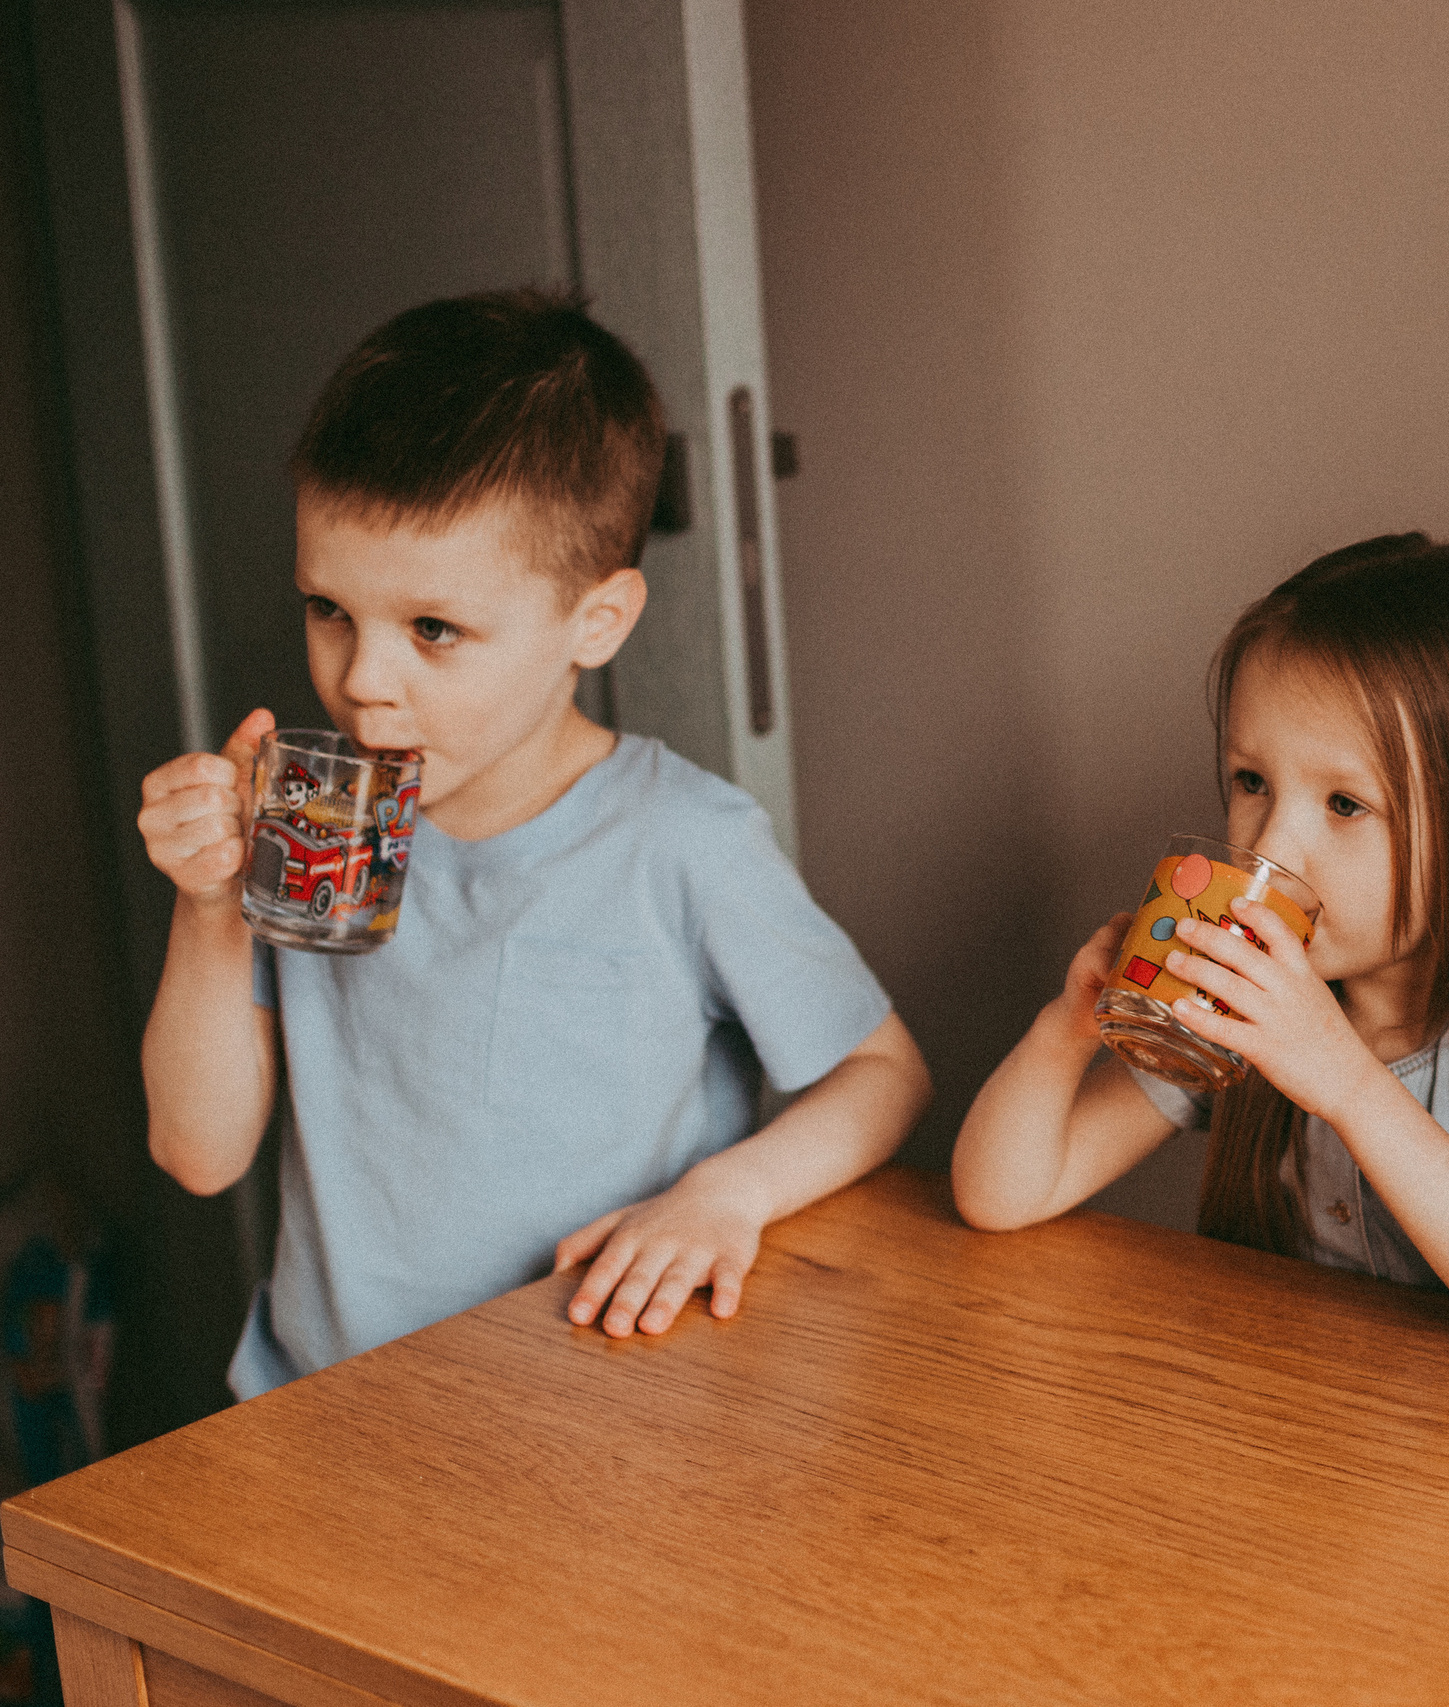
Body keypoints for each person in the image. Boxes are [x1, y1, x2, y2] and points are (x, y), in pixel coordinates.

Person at [135, 289, 930, 1397]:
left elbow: (882, 1074)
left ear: (596, 622)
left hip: (596, 1418)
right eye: (329, 609)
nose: (362, 681)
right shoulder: (312, 829)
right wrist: (209, 902)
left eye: (433, 629)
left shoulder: (680, 842)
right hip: (323, 1412)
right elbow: (199, 1151)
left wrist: (725, 1196)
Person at [952, 535, 1449, 1352]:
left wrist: (1344, 1079)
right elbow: (1002, 1195)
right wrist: (1066, 1032)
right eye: (1252, 781)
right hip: (1299, 1416)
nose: (1271, 847)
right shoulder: (1239, 1001)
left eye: (1345, 804)